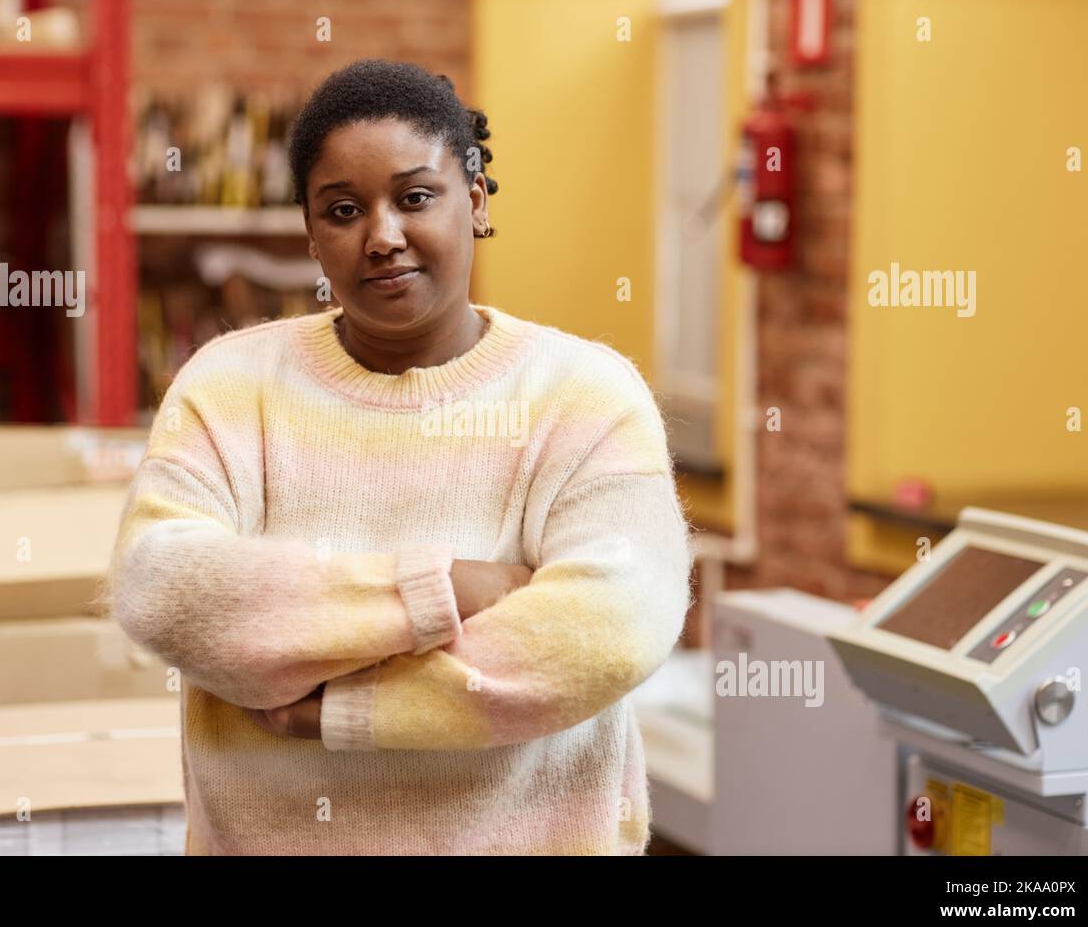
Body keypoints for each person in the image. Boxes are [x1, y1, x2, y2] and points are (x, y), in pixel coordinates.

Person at [106, 58, 694, 855]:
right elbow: (165, 586)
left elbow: (609, 628)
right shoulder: (230, 386)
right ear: (312, 237)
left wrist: (349, 709)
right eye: (343, 211)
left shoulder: (585, 395)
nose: (383, 237)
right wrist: (443, 588)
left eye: (416, 197)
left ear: (477, 202)